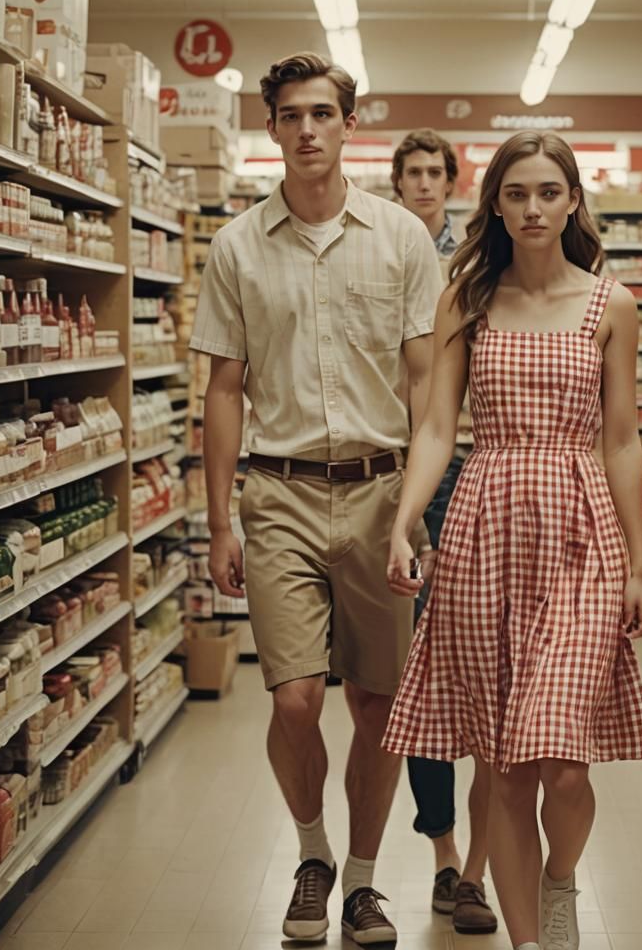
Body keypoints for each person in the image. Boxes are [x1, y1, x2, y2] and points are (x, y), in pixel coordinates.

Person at [382, 131, 642, 950]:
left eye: (548, 192)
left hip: (582, 536)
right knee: (504, 764)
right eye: (516, 194)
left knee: (564, 763)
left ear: (573, 199)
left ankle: (561, 877)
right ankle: (530, 941)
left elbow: (621, 440)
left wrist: (640, 566)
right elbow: (437, 426)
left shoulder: (611, 304)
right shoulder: (465, 297)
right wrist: (405, 521)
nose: (532, 208)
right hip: (484, 529)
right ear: (494, 204)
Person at [190, 51, 441, 946]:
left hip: (380, 497)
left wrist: (416, 515)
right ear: (272, 130)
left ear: (348, 124)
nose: (307, 131)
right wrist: (219, 520)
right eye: (291, 116)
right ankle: (311, 854)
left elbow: (424, 389)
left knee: (377, 706)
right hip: (281, 494)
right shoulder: (236, 246)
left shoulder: (402, 239)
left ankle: (365, 883)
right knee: (295, 701)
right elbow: (224, 390)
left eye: (322, 115)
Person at [391, 130, 496, 933]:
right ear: (395, 182)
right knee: (419, 671)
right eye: (413, 172)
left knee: (477, 661)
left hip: (468, 469)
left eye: (436, 173)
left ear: (451, 183)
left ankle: (483, 863)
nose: (424, 183)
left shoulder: (478, 258)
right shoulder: (378, 251)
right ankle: (446, 855)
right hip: (387, 465)